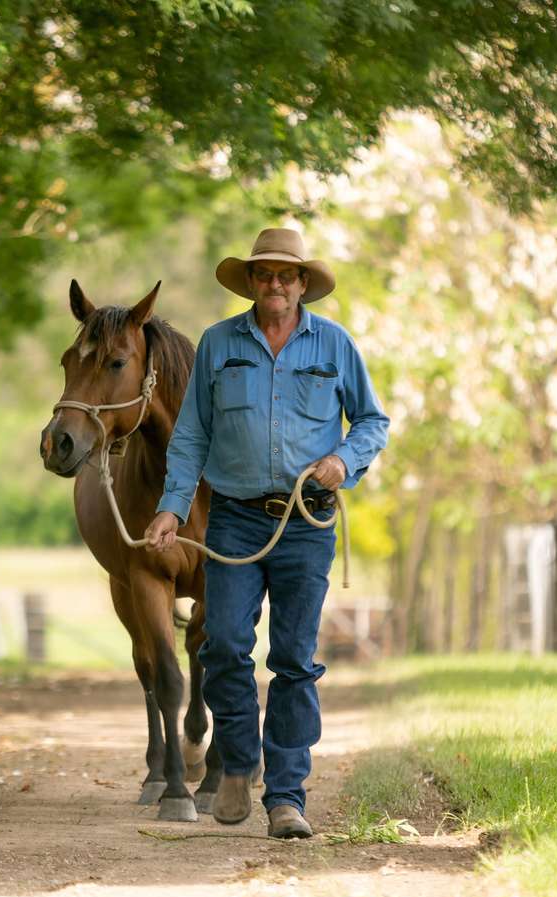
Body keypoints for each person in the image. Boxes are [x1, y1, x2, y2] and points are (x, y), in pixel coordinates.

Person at [144, 227, 389, 838]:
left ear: (303, 283)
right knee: (222, 643)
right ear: (250, 282)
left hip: (307, 520)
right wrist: (173, 508)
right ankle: (238, 764)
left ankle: (286, 797)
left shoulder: (334, 345)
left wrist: (344, 459)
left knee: (293, 660)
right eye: (264, 274)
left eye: (286, 274)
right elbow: (192, 435)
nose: (274, 283)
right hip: (234, 517)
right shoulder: (218, 343)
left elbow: (372, 420)